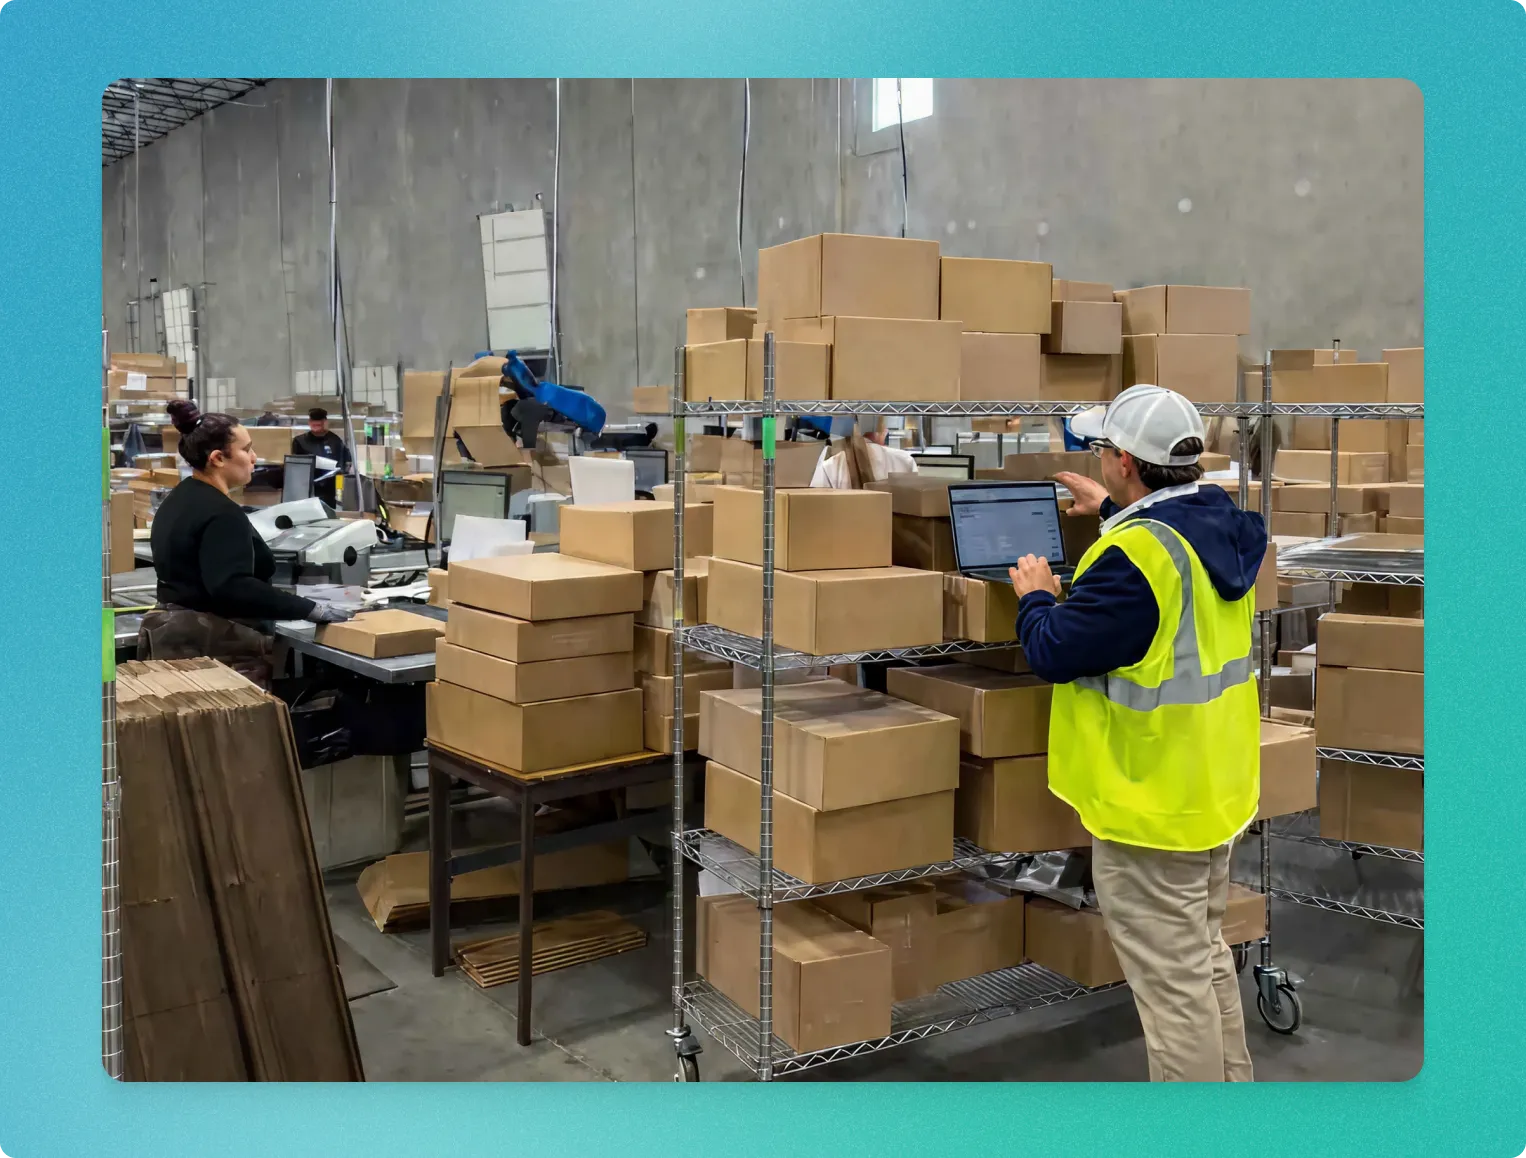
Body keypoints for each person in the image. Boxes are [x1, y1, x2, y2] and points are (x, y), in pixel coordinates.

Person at [1007, 383, 1267, 1083]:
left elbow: (1056, 649)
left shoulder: (1134, 561)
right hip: (1212, 792)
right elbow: (1167, 576)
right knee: (1203, 960)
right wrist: (1117, 515)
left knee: (1172, 995)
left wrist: (1035, 596)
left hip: (1151, 811)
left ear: (1123, 460)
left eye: (1099, 453)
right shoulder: (1221, 529)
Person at [140, 400, 354, 686]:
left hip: (180, 637)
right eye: (246, 449)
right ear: (218, 458)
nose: (254, 457)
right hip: (215, 648)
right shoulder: (220, 512)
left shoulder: (180, 498)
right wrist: (309, 608)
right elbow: (232, 585)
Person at [290, 407, 351, 507]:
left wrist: (340, 494)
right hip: (308, 490)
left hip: (331, 490)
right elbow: (296, 468)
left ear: (325, 422)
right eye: (314, 423)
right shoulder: (300, 441)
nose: (317, 426)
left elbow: (344, 466)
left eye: (320, 424)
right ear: (309, 422)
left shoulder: (335, 441)